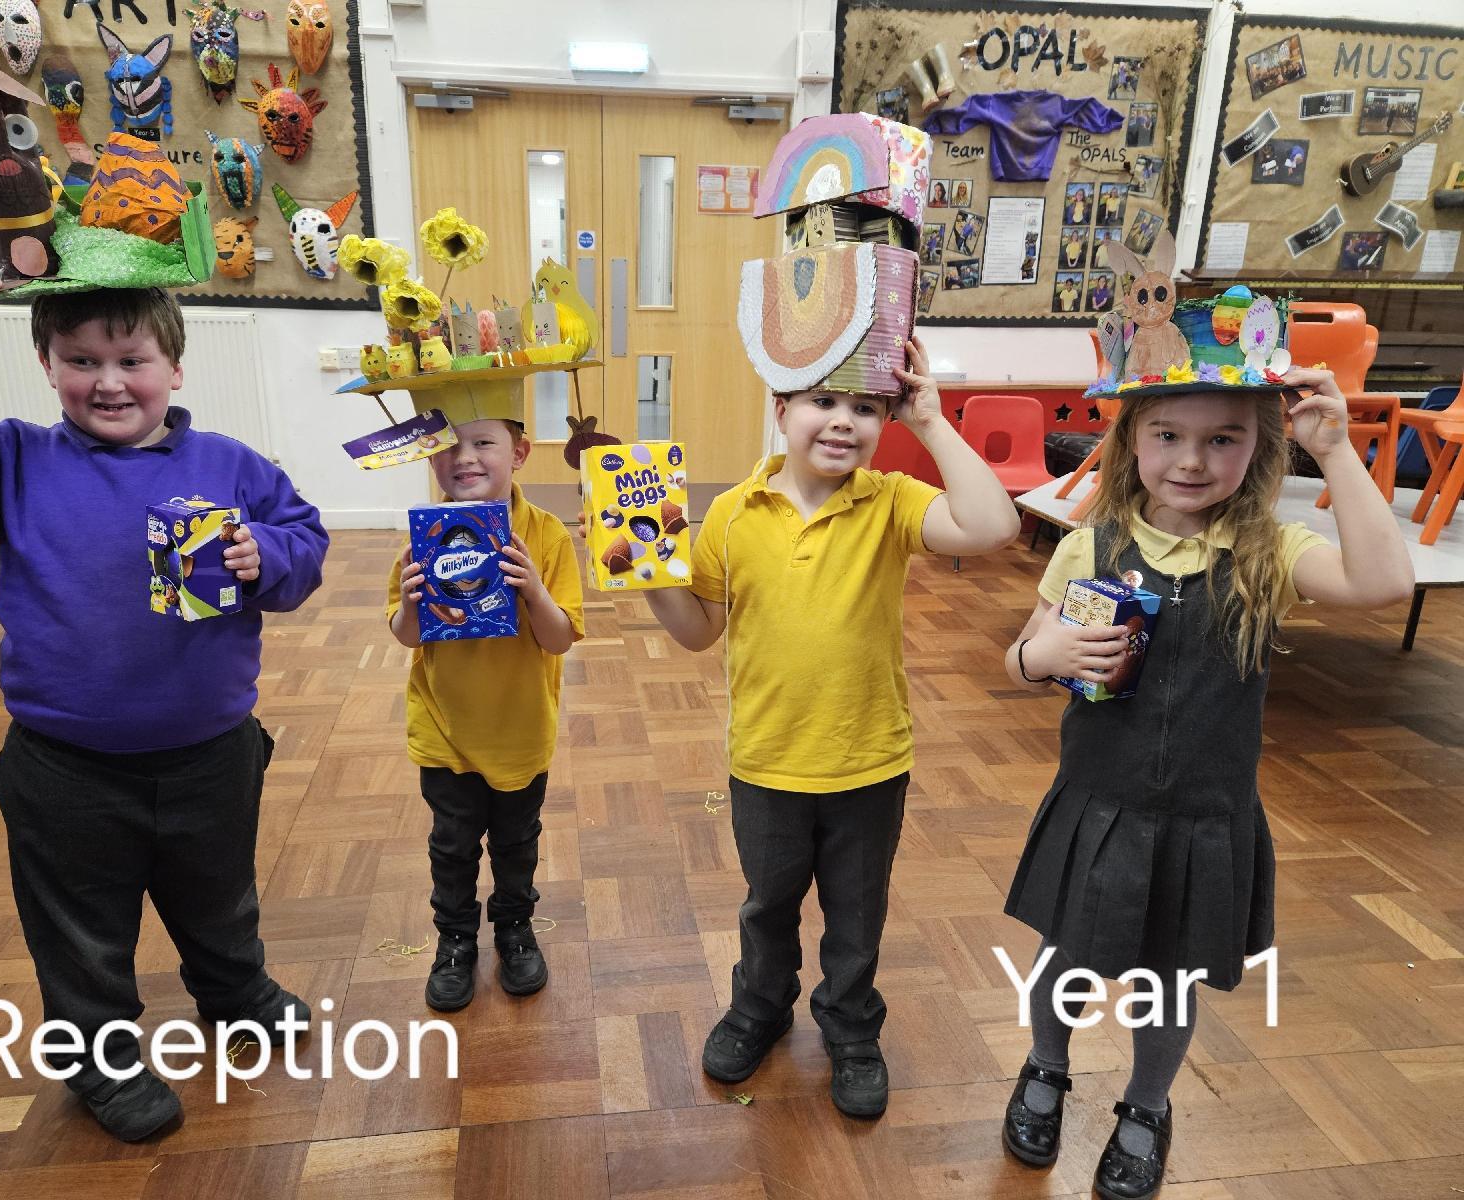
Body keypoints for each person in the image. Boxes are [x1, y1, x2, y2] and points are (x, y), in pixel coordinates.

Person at [0, 275, 329, 1142]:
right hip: (64, 768)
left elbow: (305, 544)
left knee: (221, 895)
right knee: (79, 933)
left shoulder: (232, 465)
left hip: (213, 751)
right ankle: (98, 1058)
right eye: (81, 361)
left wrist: (264, 553)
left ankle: (234, 990)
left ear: (174, 367)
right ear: (46, 365)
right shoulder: (10, 460)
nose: (109, 382)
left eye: (131, 360)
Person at [999, 367, 1412, 1198]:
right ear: (1132, 442)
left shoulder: (1271, 552)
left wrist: (1336, 453)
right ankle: (1045, 1065)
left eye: (1222, 438)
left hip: (1202, 820)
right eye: (1168, 436)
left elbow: (1384, 584)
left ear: (1260, 447)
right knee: (1063, 959)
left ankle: (1148, 1106)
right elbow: (1019, 660)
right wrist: (1042, 657)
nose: (1191, 460)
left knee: (1168, 981)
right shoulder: (1090, 545)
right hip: (1098, 806)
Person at [628, 337, 1018, 1119]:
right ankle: (760, 1007)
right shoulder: (733, 512)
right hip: (766, 760)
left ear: (885, 421)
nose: (844, 421)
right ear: (781, 411)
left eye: (865, 408)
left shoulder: (891, 500)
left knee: (856, 914)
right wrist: (646, 573)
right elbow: (699, 632)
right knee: (767, 905)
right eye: (823, 402)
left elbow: (992, 526)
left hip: (868, 761)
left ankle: (850, 1027)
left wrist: (931, 423)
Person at [388, 381, 583, 1013]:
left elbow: (560, 640)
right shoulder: (424, 538)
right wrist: (413, 601)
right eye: (447, 445)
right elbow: (404, 634)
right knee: (451, 845)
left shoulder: (546, 536)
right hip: (444, 728)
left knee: (516, 842)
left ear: (519, 452)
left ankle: (515, 929)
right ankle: (454, 942)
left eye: (483, 443)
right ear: (430, 457)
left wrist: (534, 591)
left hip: (521, 728)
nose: (464, 457)